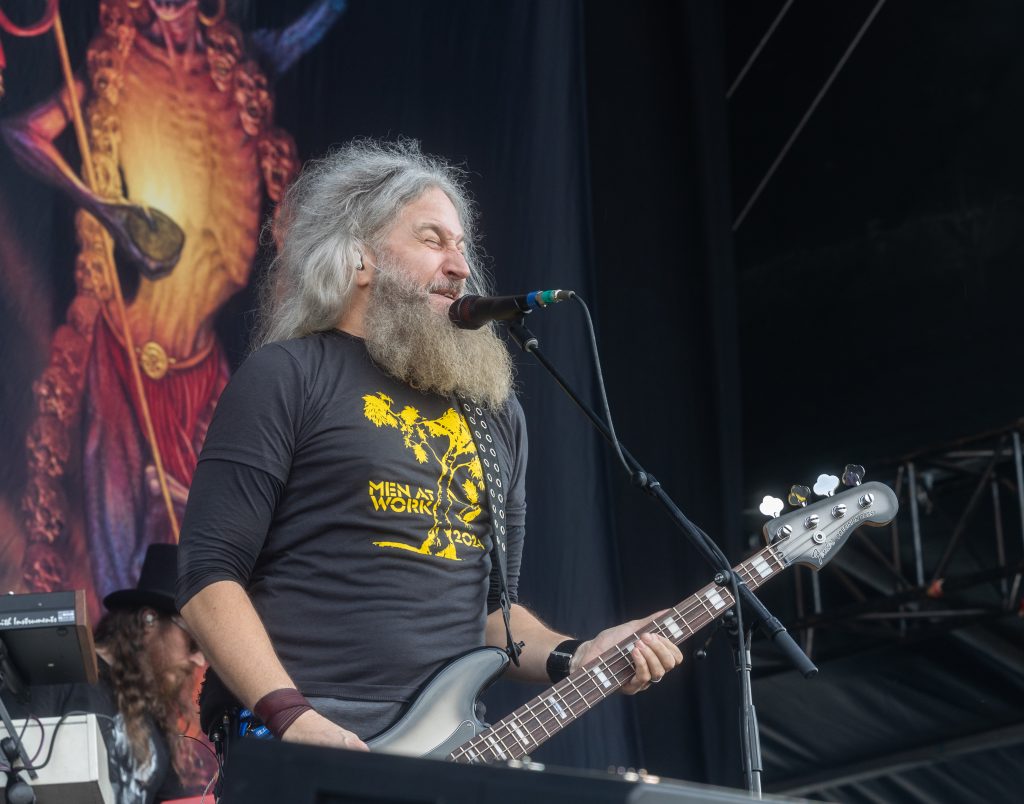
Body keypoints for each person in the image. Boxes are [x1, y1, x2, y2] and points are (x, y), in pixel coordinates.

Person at [175, 139, 683, 755]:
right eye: (433, 240)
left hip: (446, 750)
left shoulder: (494, 416)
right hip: (303, 739)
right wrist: (293, 717)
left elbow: (490, 615)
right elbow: (208, 579)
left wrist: (579, 655)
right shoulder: (287, 375)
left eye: (462, 245)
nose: (461, 266)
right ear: (360, 258)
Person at [3, 543, 207, 804]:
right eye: (193, 642)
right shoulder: (63, 671)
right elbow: (12, 772)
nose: (200, 660)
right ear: (149, 620)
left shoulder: (157, 724)